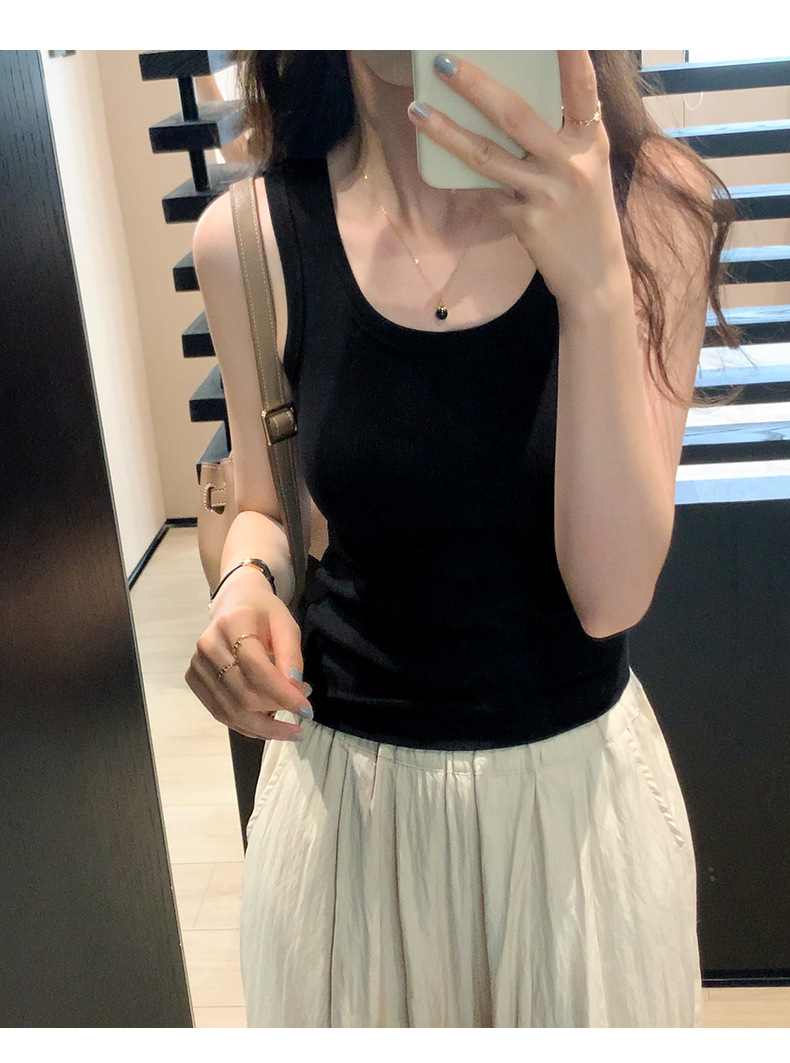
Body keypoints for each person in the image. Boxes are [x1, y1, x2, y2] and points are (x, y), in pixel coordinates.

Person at [186, 50, 736, 1028]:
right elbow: (263, 506)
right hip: (347, 823)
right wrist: (243, 581)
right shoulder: (252, 236)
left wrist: (594, 287)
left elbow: (610, 594)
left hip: (574, 822)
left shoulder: (651, 205)